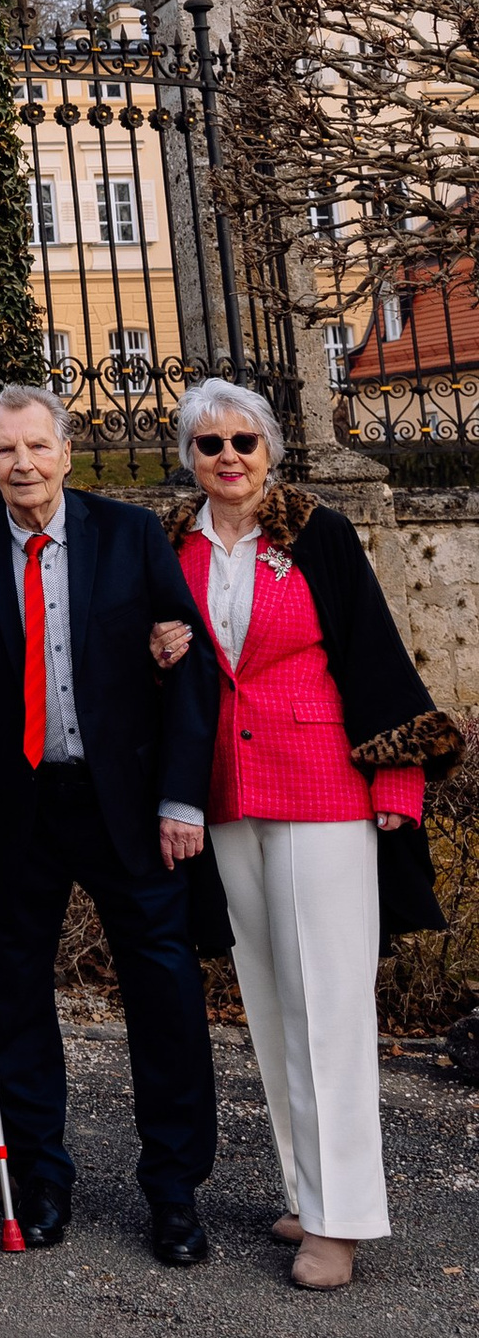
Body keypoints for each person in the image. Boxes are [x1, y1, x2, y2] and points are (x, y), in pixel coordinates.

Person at [162, 376, 460, 1290]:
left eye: (244, 442)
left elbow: (377, 650)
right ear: (189, 458)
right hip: (227, 792)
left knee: (329, 1006)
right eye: (210, 445)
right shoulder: (171, 544)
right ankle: (304, 1187)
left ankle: (344, 1217)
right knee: (269, 997)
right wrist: (156, 642)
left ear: (271, 451)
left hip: (326, 786)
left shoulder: (317, 532)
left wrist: (398, 783)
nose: (229, 459)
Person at [0, 380, 219, 1263]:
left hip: (126, 805)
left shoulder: (128, 536)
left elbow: (185, 662)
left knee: (163, 997)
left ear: (66, 452)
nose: (22, 463)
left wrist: (180, 798)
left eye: (37, 446)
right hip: (15, 809)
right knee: (13, 1000)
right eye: (4, 450)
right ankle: (41, 1180)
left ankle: (173, 1191)